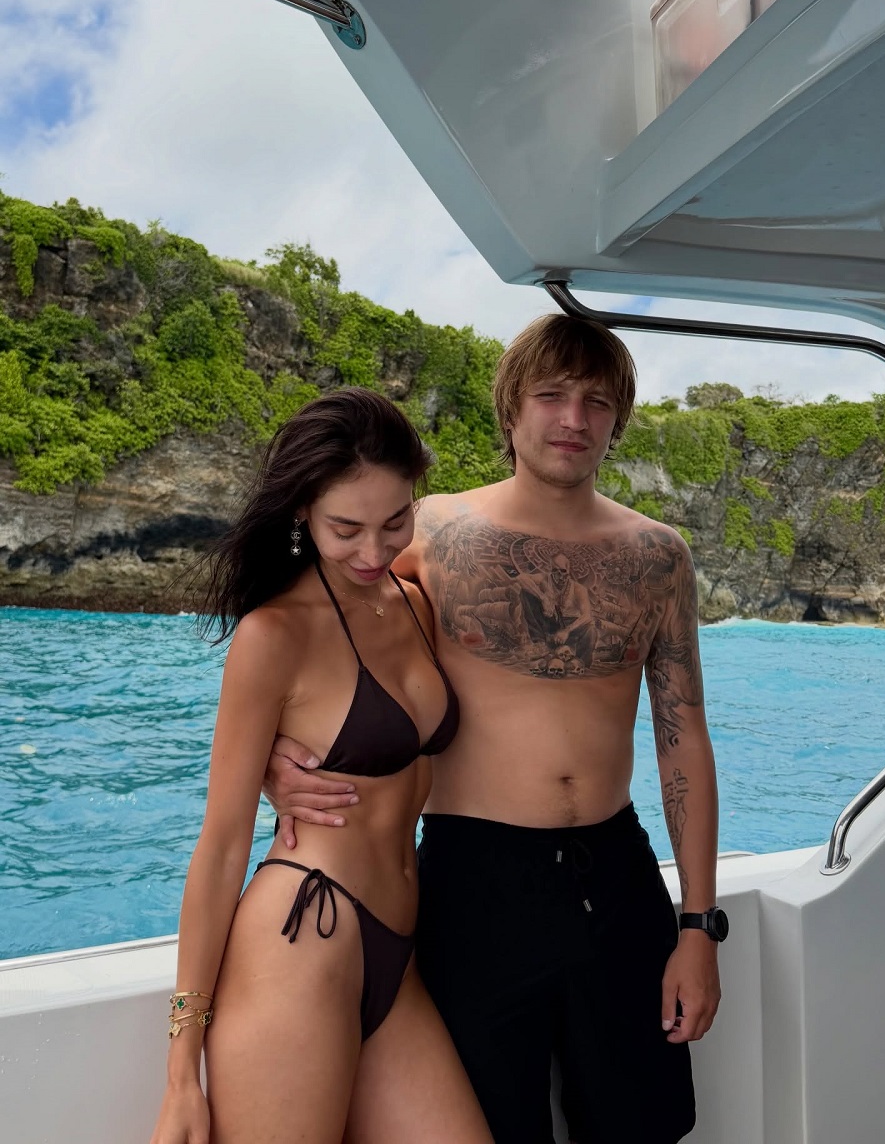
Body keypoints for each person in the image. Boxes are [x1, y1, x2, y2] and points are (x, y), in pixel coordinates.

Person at [264, 314, 724, 1144]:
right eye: (552, 395)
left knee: (641, 1125)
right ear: (511, 408)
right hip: (474, 877)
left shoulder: (660, 556)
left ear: (618, 419)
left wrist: (697, 925)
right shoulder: (428, 532)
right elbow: (309, 642)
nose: (574, 420)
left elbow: (682, 734)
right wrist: (273, 758)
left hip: (617, 875)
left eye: (597, 402)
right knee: (493, 1124)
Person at [149, 389, 492, 1144]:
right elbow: (222, 846)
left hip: (398, 955)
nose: (373, 552)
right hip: (301, 942)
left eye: (394, 522)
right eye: (346, 529)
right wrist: (181, 1073)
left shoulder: (412, 601)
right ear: (303, 511)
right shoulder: (274, 635)